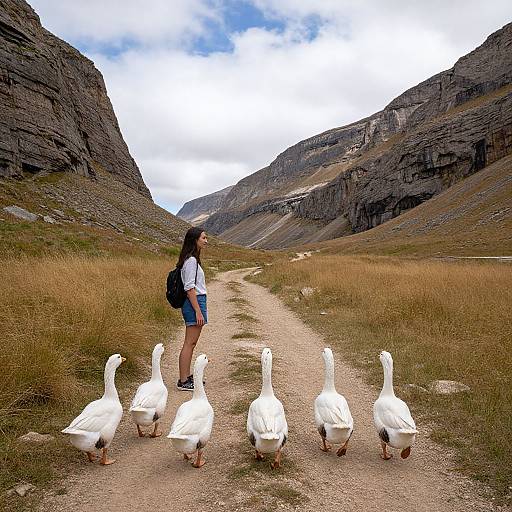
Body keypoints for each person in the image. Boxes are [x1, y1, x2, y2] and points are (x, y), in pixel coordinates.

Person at [176, 227, 208, 391]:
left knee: (192, 342)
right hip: (194, 302)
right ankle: (183, 380)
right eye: (203, 238)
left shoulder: (191, 260)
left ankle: (186, 376)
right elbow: (189, 288)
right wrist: (197, 310)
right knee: (190, 342)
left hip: (196, 301)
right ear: (194, 240)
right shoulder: (191, 261)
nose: (206, 240)